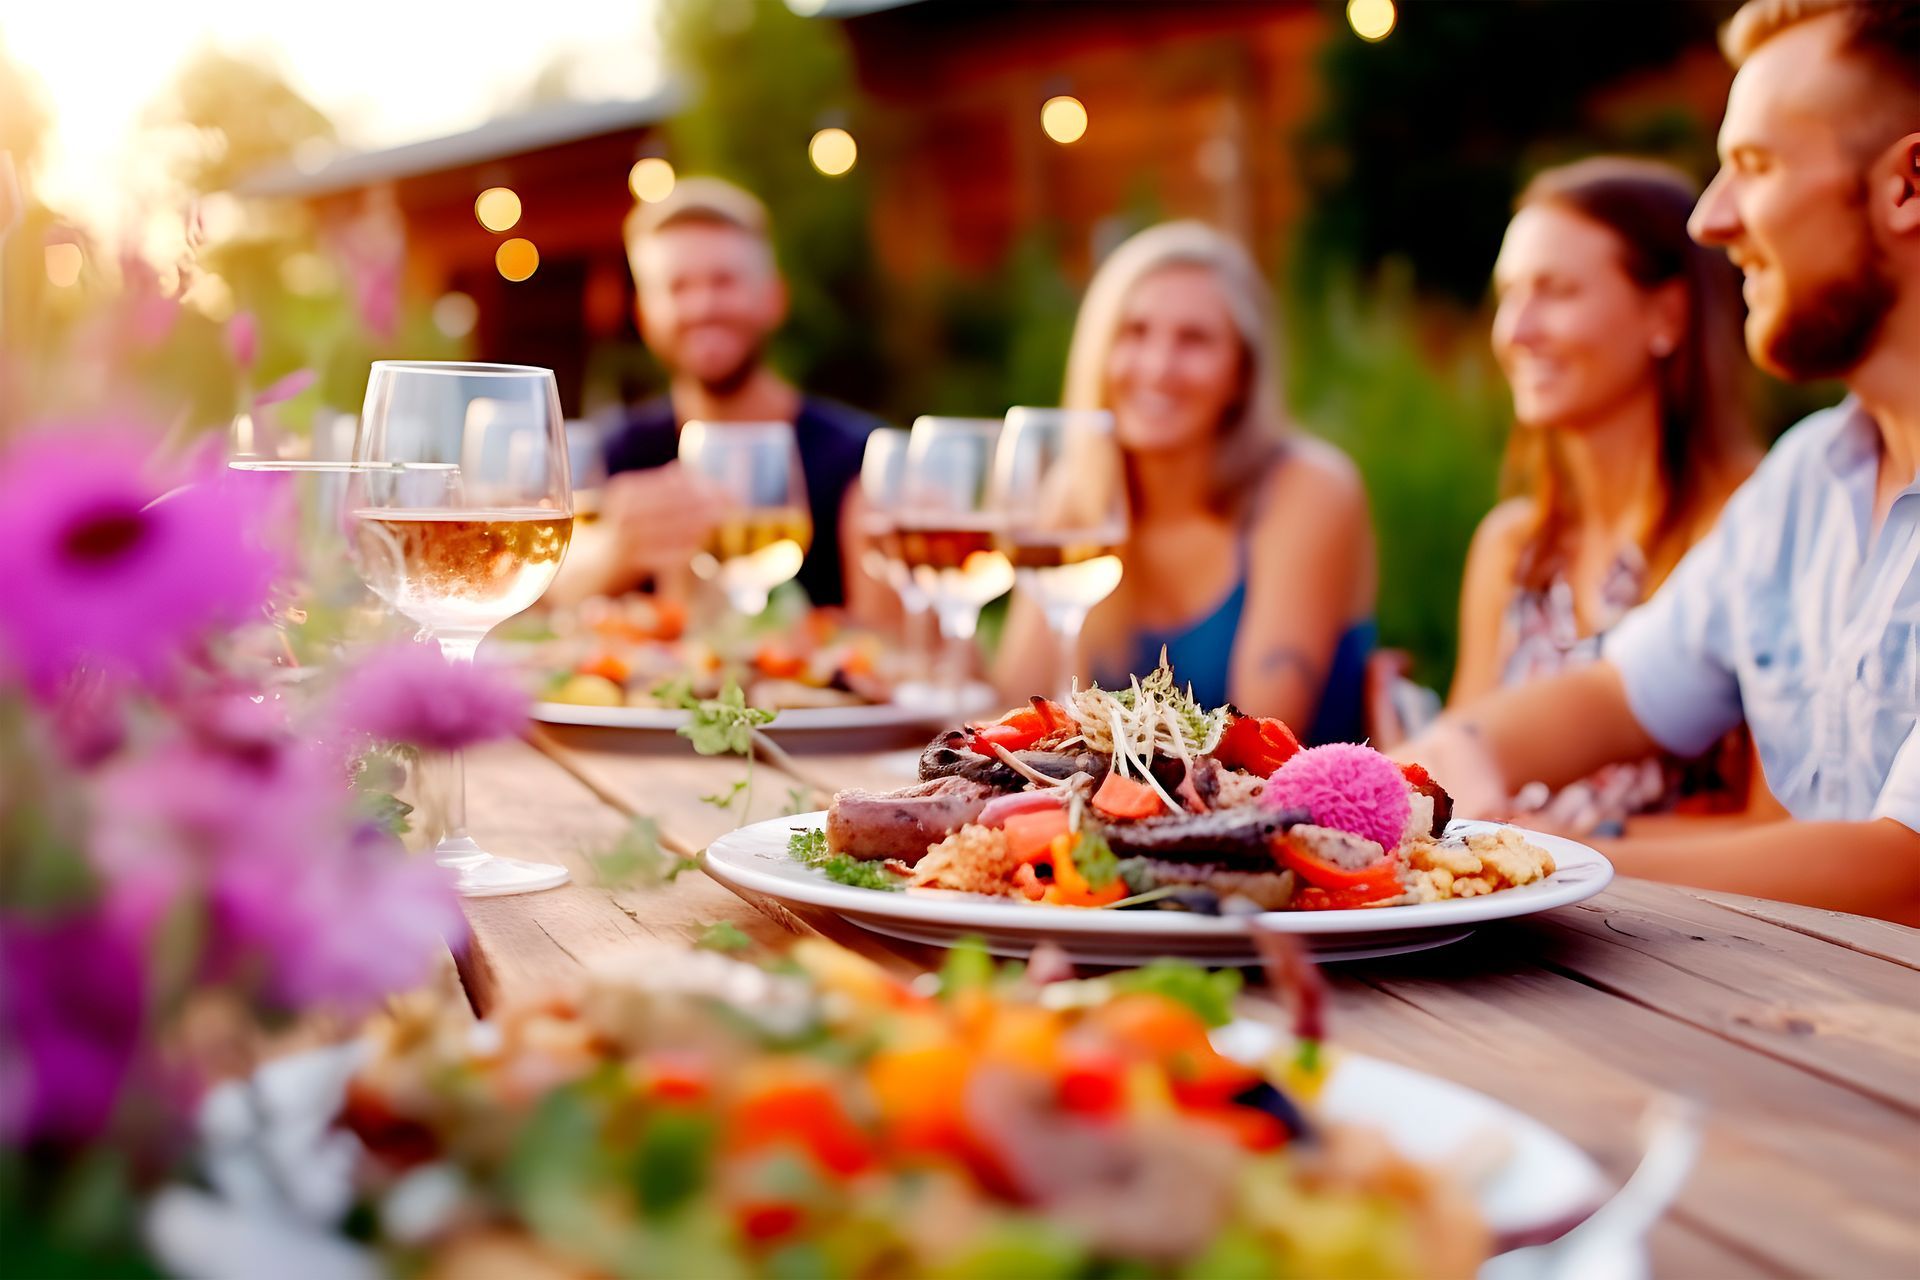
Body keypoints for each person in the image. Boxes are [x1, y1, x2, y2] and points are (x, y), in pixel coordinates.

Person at [1400, 0, 1920, 923]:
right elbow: (1619, 690)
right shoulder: (1808, 481)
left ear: (1909, 183)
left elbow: (1903, 871)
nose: (1712, 220)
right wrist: (1455, 753)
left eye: (1754, 167)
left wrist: (1527, 861)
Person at [1451, 157, 1763, 832]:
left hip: (1696, 932)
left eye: (1556, 291)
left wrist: (1569, 841)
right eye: (1509, 294)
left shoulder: (1756, 520)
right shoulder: (1512, 549)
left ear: (1668, 316)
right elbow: (1450, 786)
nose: (1516, 331)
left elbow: (1788, 828)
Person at [996, 221, 1377, 743]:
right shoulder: (1079, 493)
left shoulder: (1307, 487)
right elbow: (1014, 701)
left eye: (1193, 340)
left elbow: (1257, 740)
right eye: (1135, 333)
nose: (1158, 367)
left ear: (1242, 373)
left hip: (1299, 822)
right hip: (1122, 818)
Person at [553, 177, 885, 613]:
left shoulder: (855, 461)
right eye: (678, 288)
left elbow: (888, 639)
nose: (703, 306)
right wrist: (617, 553)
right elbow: (551, 594)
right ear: (645, 316)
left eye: (724, 281)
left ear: (773, 299)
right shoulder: (618, 451)